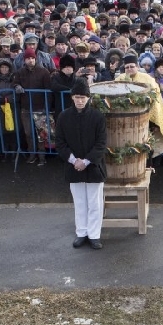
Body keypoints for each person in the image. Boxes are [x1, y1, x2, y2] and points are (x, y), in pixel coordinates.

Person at [54, 78, 107, 250]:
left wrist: (86, 161)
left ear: (88, 98)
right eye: (77, 97)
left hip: (93, 166)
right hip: (73, 166)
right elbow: (60, 142)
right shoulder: (63, 117)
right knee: (79, 202)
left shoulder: (98, 117)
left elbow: (101, 143)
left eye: (83, 97)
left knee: (95, 203)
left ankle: (94, 235)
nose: (80, 100)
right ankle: (81, 232)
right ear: (72, 97)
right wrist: (73, 160)